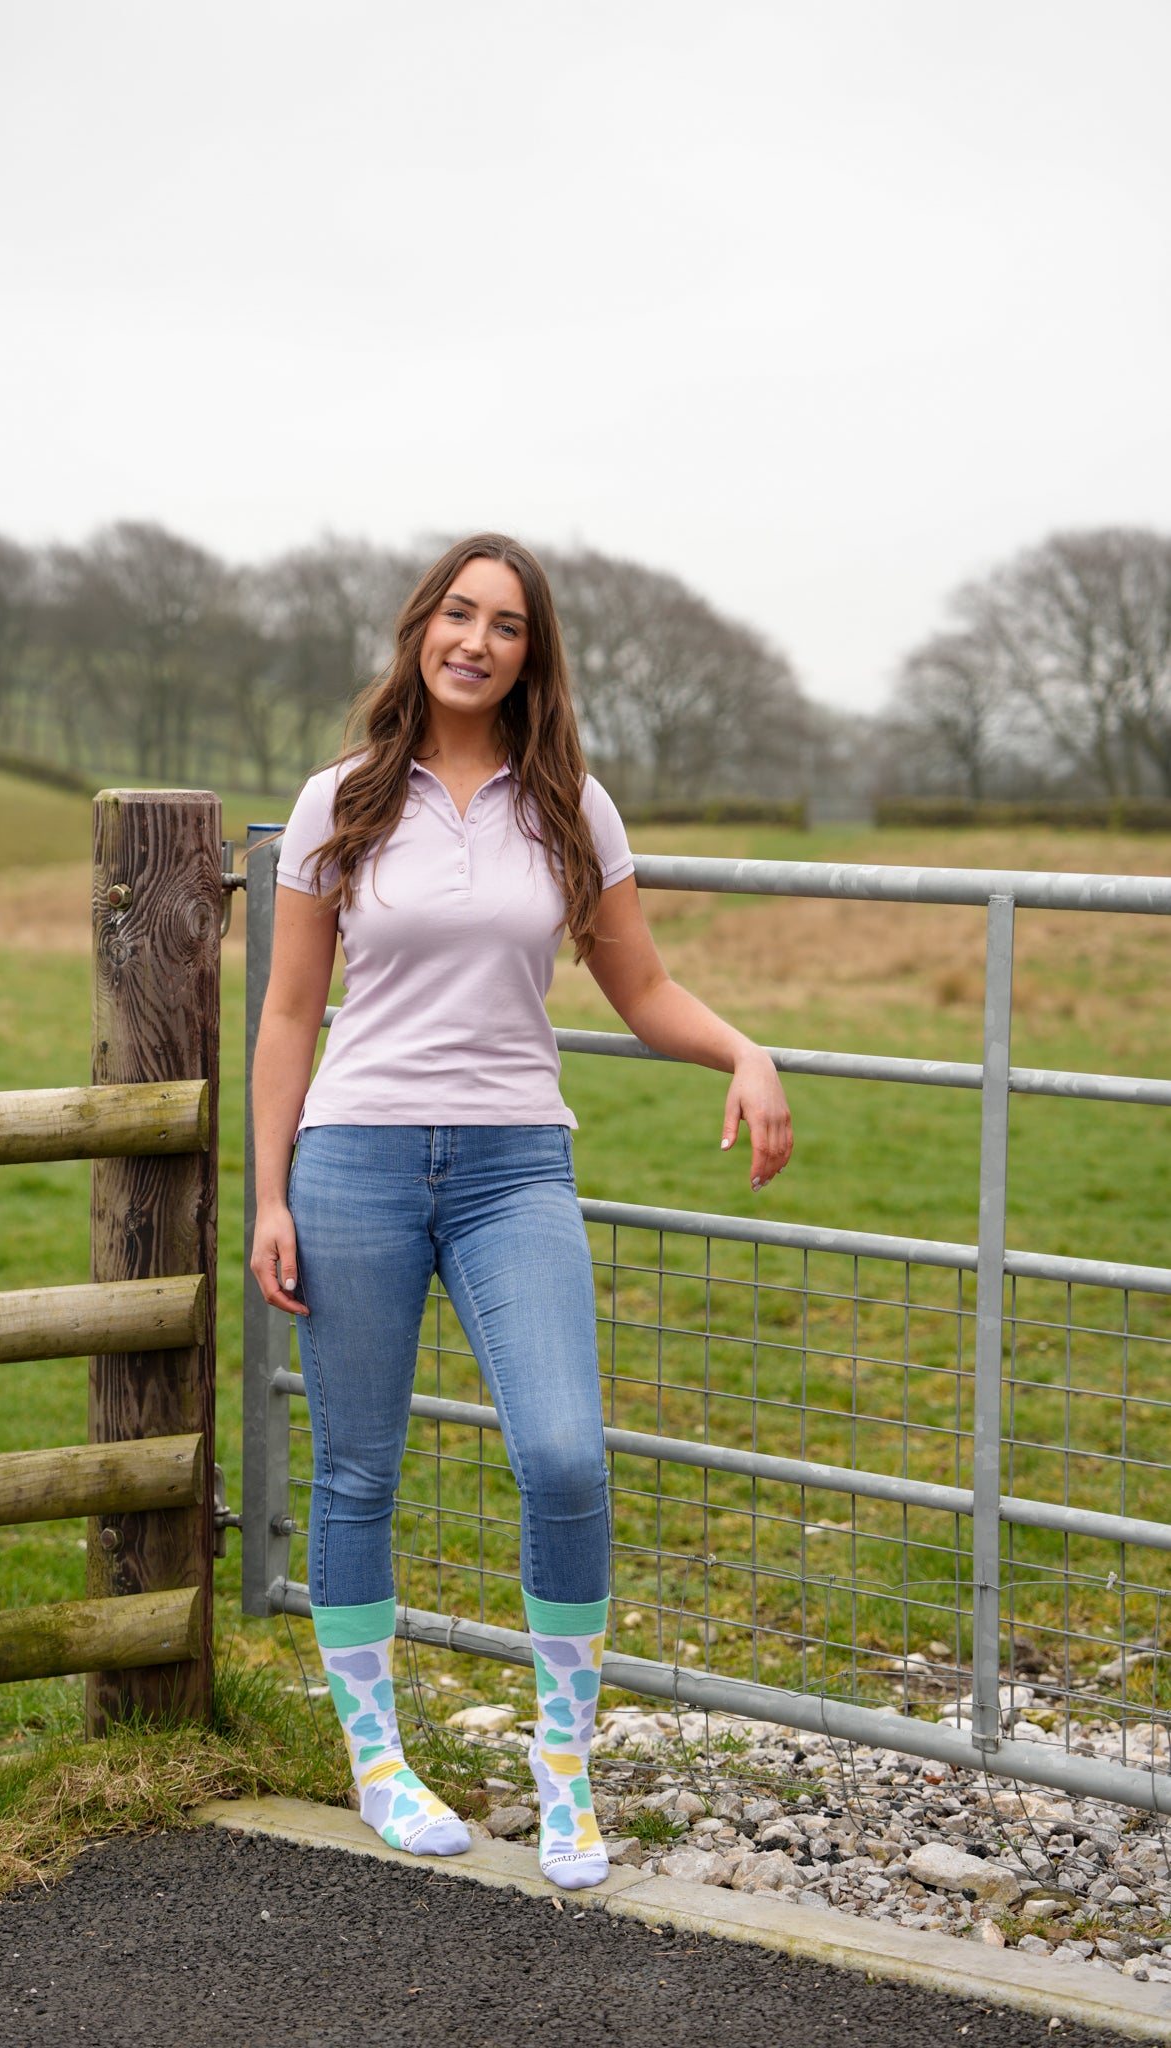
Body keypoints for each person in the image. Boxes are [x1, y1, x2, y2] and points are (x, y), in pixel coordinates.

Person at [249, 533, 793, 1890]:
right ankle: (379, 1763)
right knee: (356, 1471)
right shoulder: (337, 802)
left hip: (513, 1167)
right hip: (353, 1161)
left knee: (562, 1458)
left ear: (530, 657)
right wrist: (267, 1192)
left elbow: (638, 987)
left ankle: (565, 1774)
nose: (476, 641)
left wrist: (743, 1050)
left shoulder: (570, 807)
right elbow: (290, 1011)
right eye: (459, 613)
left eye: (506, 626)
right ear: (421, 629)